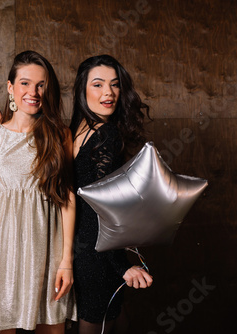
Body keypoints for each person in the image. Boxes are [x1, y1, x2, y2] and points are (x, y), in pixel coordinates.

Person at [0, 50, 77, 333]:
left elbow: (67, 199)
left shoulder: (60, 135)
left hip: (48, 252)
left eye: (41, 85)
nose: (34, 91)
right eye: (25, 83)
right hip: (4, 251)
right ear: (10, 87)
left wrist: (66, 261)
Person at [69, 55, 153, 334]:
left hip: (78, 253)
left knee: (112, 319)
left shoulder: (73, 132)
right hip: (97, 257)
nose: (108, 93)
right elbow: (101, 209)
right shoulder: (106, 135)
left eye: (115, 85)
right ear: (82, 90)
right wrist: (121, 266)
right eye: (98, 84)